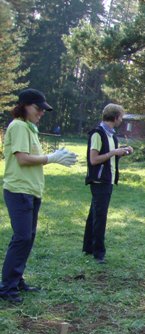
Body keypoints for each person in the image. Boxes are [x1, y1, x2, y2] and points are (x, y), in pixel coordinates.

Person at [0, 88, 77, 304]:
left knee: (28, 238)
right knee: (22, 238)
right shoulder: (18, 126)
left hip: (31, 191)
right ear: (24, 106)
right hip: (19, 191)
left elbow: (31, 158)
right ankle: (7, 288)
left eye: (43, 110)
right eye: (38, 108)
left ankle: (16, 280)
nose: (42, 113)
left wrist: (51, 158)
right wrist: (51, 158)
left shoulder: (29, 128)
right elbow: (23, 159)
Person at [82, 104, 133, 264]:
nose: (121, 120)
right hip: (99, 181)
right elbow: (94, 159)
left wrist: (123, 152)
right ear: (116, 117)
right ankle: (99, 253)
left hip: (108, 180)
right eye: (121, 117)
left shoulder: (112, 136)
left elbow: (109, 156)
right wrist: (113, 152)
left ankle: (88, 247)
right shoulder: (98, 134)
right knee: (100, 216)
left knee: (94, 214)